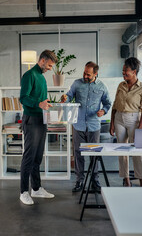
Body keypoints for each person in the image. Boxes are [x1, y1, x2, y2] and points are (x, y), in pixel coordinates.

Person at [61, 61, 111, 192]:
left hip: (94, 126)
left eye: (88, 74)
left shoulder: (102, 86)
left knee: (94, 154)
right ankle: (79, 181)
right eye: (84, 73)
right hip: (78, 125)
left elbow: (107, 103)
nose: (85, 76)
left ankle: (95, 181)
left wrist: (103, 111)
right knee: (78, 153)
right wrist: (64, 98)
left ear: (95, 73)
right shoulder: (77, 83)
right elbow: (69, 97)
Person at [19, 50, 58, 205]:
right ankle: (23, 192)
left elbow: (40, 99)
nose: (50, 68)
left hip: (42, 119)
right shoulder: (29, 75)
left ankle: (36, 188)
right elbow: (23, 98)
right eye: (49, 65)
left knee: (37, 156)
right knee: (29, 156)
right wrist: (38, 104)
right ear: (42, 60)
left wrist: (46, 103)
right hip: (31, 119)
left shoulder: (41, 77)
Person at [110, 57, 142, 187]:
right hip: (119, 118)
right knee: (122, 150)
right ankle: (126, 180)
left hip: (134, 120)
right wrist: (112, 124)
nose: (123, 73)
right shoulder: (121, 85)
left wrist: (140, 127)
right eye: (123, 70)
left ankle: (141, 180)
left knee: (137, 151)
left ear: (134, 71)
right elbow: (114, 106)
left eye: (126, 71)